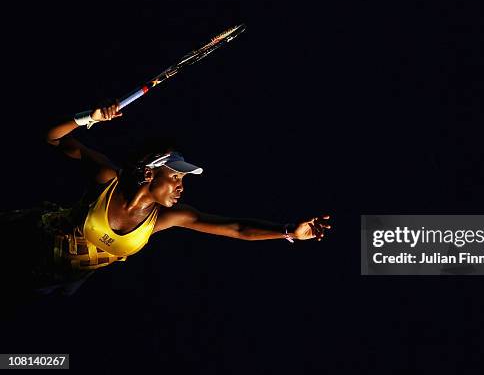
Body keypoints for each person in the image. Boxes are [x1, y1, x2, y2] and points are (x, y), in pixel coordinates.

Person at [1, 102, 331, 298]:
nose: (180, 186)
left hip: (48, 280)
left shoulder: (166, 219)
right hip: (24, 238)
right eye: (175, 176)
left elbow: (237, 229)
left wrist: (289, 230)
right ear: (149, 173)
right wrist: (91, 117)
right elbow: (53, 137)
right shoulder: (107, 180)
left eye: (183, 180)